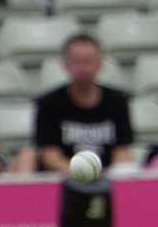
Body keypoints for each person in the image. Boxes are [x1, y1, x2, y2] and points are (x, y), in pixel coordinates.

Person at [33, 31, 134, 170]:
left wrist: (108, 174)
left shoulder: (117, 101)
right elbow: (50, 155)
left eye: (89, 61)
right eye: (77, 61)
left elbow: (122, 151)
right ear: (65, 64)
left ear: (99, 64)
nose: (83, 68)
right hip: (65, 176)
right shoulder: (49, 103)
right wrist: (82, 174)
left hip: (107, 175)